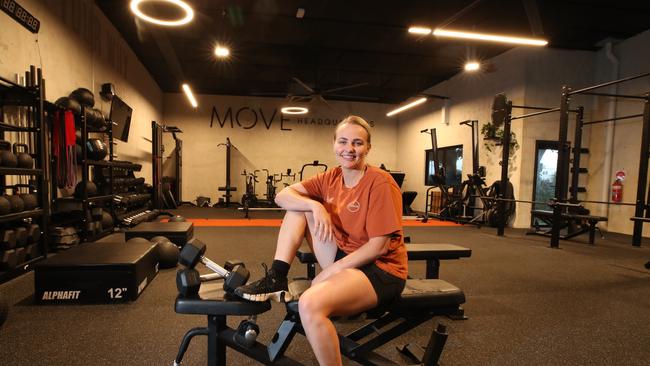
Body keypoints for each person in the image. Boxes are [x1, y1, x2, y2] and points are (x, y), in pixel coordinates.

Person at [234, 115, 408, 365]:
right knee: (299, 207)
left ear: (368, 147)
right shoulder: (331, 177)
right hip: (345, 256)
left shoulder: (380, 183)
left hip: (380, 270)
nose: (349, 149)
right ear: (334, 144)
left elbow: (378, 246)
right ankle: (276, 277)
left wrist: (330, 272)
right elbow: (282, 196)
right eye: (343, 141)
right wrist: (316, 207)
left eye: (358, 143)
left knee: (309, 304)